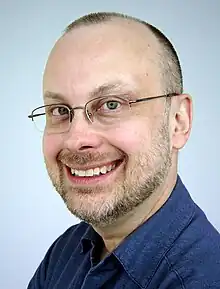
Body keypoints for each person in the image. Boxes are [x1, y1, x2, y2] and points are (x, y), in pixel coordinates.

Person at [27, 12, 220, 289]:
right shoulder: (65, 252)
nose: (76, 138)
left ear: (178, 122)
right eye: (60, 110)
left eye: (112, 104)